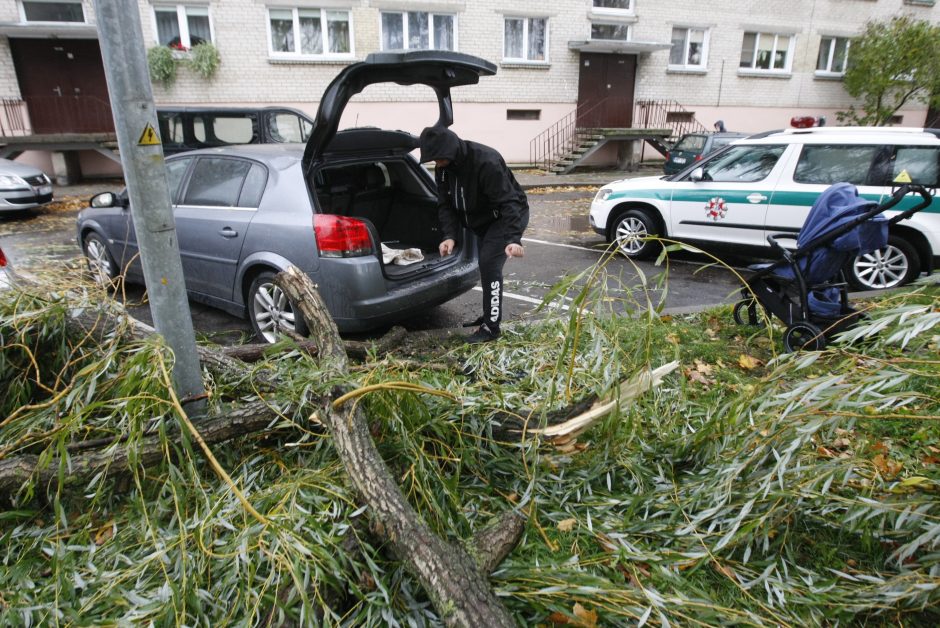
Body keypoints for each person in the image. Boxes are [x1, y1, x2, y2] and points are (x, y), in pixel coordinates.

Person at [418, 125, 530, 343]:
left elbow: (510, 202)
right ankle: (490, 315)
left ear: (449, 151)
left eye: (438, 159)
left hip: (504, 218)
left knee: (489, 263)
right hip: (482, 222)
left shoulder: (486, 162)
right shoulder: (444, 169)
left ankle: (491, 329)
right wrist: (449, 235)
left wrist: (513, 238)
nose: (436, 164)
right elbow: (445, 205)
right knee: (486, 266)